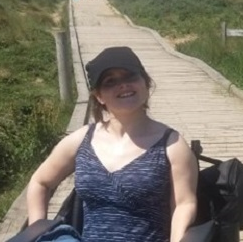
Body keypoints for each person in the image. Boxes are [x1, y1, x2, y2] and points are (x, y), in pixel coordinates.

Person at [26, 46, 198, 242]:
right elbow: (40, 182)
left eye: (130, 76)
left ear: (145, 83)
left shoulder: (172, 146)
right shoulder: (82, 139)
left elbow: (184, 205)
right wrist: (36, 231)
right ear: (99, 96)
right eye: (110, 82)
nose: (123, 85)